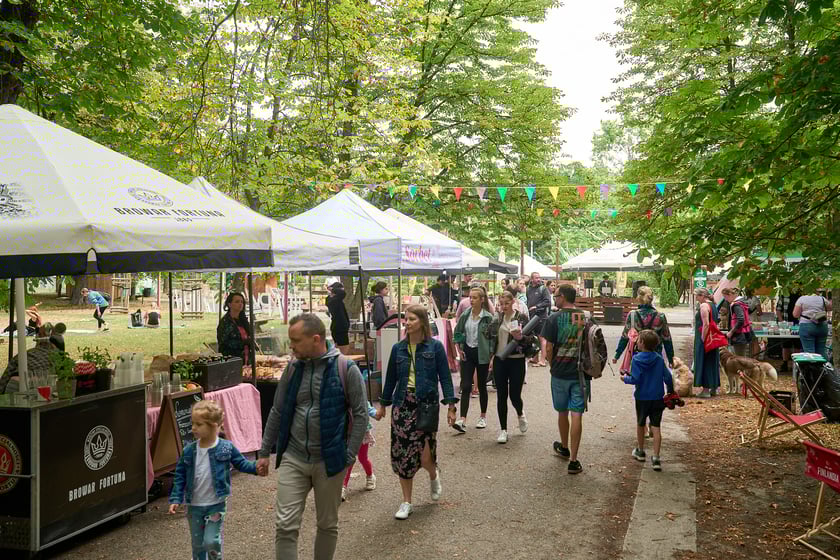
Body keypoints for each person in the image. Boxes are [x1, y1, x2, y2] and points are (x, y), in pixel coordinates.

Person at [257, 313, 367, 560]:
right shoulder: (293, 369)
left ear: (315, 339)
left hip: (329, 461)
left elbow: (361, 415)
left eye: (295, 341)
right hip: (293, 458)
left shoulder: (346, 369)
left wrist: (348, 455)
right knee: (285, 526)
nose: (291, 347)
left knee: (327, 524)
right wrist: (265, 452)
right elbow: (277, 410)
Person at [375, 305, 457, 520]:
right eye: (406, 319)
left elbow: (446, 378)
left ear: (421, 321)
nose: (407, 323)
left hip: (426, 404)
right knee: (403, 454)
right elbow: (390, 378)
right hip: (403, 405)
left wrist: (451, 405)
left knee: (425, 455)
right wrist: (383, 404)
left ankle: (433, 473)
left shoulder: (435, 347)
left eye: (411, 319)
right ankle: (406, 501)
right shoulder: (398, 349)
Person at [168, 400, 258, 560]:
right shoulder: (189, 451)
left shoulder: (226, 447)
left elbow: (242, 463)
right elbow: (180, 475)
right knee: (197, 546)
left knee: (211, 542)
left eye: (199, 424)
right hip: (194, 506)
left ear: (214, 425)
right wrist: (176, 498)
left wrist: (256, 467)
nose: (193, 428)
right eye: (193, 423)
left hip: (215, 504)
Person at [542, 285, 606, 474]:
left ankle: (564, 446)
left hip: (560, 373)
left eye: (556, 296)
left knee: (562, 412)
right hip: (581, 373)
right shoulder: (586, 317)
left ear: (563, 297)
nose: (554, 299)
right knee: (577, 414)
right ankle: (573, 460)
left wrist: (552, 364)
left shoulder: (554, 318)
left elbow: (548, 348)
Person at [621, 330, 674, 472]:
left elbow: (635, 379)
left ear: (642, 343)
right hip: (657, 397)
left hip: (642, 397)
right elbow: (668, 377)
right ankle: (656, 457)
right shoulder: (658, 359)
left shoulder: (636, 360)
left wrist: (625, 378)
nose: (637, 342)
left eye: (638, 340)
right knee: (656, 426)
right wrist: (670, 391)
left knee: (641, 422)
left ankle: (640, 450)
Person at [485, 290, 531, 443]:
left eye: (507, 303)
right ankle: (503, 429)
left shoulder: (521, 317)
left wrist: (521, 337)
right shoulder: (497, 318)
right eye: (501, 304)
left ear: (513, 302)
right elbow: (489, 337)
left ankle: (520, 414)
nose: (504, 306)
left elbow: (531, 339)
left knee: (515, 395)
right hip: (500, 360)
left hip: (517, 360)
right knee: (501, 395)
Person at [452, 287, 494, 433]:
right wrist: (459, 348)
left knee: (482, 385)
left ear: (482, 300)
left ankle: (482, 416)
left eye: (475, 297)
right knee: (465, 385)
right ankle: (462, 419)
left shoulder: (488, 317)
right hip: (467, 352)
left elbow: (493, 338)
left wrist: (492, 356)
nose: (471, 300)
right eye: (470, 297)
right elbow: (457, 332)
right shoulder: (465, 314)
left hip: (482, 354)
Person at [613, 286, 675, 368]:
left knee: (637, 379)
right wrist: (671, 359)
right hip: (656, 358)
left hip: (637, 358)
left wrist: (617, 355)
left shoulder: (632, 315)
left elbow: (625, 337)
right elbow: (667, 339)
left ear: (638, 298)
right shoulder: (660, 316)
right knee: (654, 379)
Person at [342, 371, 379, 502]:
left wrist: (377, 414)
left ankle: (370, 476)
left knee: (363, 458)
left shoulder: (360, 397)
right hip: (348, 432)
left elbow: (369, 409)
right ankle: (343, 486)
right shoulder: (342, 398)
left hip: (362, 431)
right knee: (348, 459)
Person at [0, 323, 63, 394]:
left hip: (16, 386)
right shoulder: (60, 357)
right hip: (45, 389)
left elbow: (4, 380)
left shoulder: (23, 355)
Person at [693, 287, 720, 398]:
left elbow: (706, 324)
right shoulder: (713, 305)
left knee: (704, 361)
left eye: (696, 295)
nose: (696, 298)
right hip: (713, 338)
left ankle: (705, 390)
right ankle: (714, 388)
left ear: (702, 296)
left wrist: (703, 339)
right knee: (712, 361)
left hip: (705, 337)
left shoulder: (704, 306)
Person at [217, 292, 252, 364]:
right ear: (229, 304)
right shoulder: (225, 322)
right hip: (231, 360)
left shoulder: (243, 320)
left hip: (246, 359)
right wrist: (243, 343)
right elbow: (223, 342)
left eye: (242, 302)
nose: (240, 304)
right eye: (237, 302)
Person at [794, 292, 832, 359]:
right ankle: (824, 368)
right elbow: (830, 308)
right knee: (821, 351)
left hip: (806, 325)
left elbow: (795, 314)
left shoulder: (802, 299)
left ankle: (812, 368)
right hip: (822, 325)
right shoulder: (822, 299)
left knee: (809, 352)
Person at [526, 272, 551, 367]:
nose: (538, 279)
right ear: (532, 279)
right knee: (534, 337)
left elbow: (547, 302)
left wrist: (536, 306)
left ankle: (543, 360)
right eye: (536, 278)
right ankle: (535, 358)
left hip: (541, 317)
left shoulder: (543, 289)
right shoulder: (529, 289)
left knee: (542, 338)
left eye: (539, 277)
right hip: (532, 316)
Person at [776, 287, 802, 372]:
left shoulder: (801, 295)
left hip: (798, 323)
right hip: (786, 323)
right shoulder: (783, 295)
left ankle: (796, 364)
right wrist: (781, 321)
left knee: (797, 344)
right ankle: (785, 364)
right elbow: (778, 309)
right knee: (785, 344)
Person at [722, 288, 754, 357]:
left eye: (725, 297)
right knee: (741, 356)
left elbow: (741, 320)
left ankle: (742, 368)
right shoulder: (742, 302)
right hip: (744, 332)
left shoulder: (736, 305)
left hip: (739, 334)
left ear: (730, 295)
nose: (725, 299)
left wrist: (731, 331)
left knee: (739, 358)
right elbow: (750, 310)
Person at [325, 281, 351, 354]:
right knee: (343, 352)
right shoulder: (335, 301)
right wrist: (332, 289)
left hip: (336, 327)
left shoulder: (331, 300)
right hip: (340, 328)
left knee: (338, 349)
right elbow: (343, 293)